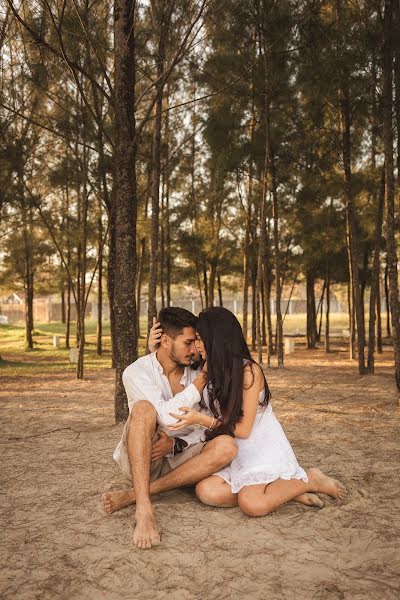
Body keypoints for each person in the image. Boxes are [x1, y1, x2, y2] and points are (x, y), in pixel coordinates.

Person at [167, 306, 348, 517]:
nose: (196, 345)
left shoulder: (248, 372)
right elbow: (171, 362)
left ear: (216, 339)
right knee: (207, 491)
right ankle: (280, 491)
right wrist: (155, 345)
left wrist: (201, 420)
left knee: (252, 505)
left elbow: (244, 431)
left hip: (259, 447)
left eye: (200, 338)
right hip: (233, 450)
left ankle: (309, 480)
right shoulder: (207, 369)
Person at [103, 307, 237, 549]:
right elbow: (165, 417)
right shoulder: (136, 371)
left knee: (227, 446)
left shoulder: (199, 368)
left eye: (195, 342)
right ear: (165, 340)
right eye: (187, 343)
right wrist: (199, 383)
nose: (194, 349)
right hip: (146, 457)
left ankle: (134, 495)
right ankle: (144, 509)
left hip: (183, 459)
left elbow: (207, 422)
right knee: (144, 409)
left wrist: (176, 444)